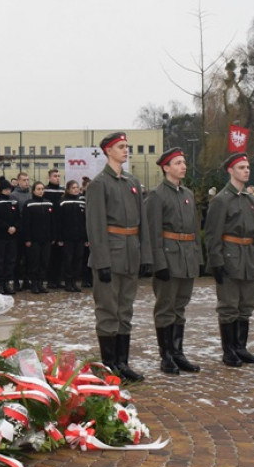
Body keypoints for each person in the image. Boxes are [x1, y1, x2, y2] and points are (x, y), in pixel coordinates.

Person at [85, 132, 152, 382]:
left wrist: (145, 256)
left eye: (126, 146)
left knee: (125, 311)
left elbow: (142, 222)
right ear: (108, 151)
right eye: (121, 146)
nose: (126, 150)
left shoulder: (132, 182)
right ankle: (109, 366)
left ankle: (123, 363)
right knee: (107, 311)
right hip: (110, 256)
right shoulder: (99, 184)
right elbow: (95, 226)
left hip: (131, 254)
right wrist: (101, 261)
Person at [146, 147, 202, 375]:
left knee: (180, 306)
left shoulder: (187, 194)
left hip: (187, 257)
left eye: (184, 162)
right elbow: (153, 232)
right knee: (165, 308)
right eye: (178, 163)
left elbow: (195, 229)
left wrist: (198, 257)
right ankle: (166, 355)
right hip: (168, 258)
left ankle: (178, 353)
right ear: (166, 167)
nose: (183, 166)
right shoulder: (157, 195)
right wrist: (158, 263)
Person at [205, 153, 254, 368]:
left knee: (246, 304)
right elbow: (212, 234)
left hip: (249, 257)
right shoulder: (221, 200)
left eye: (247, 167)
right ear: (230, 170)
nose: (246, 171)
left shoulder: (252, 199)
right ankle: (229, 350)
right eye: (241, 167)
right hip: (230, 256)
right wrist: (216, 262)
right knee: (229, 305)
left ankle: (241, 347)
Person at [21, 181, 54, 294]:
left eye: (42, 189)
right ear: (33, 191)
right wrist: (27, 239)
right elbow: (26, 223)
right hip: (34, 239)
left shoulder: (48, 203)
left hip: (46, 239)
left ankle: (41, 283)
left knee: (44, 262)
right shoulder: (29, 204)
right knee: (34, 262)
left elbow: (52, 222)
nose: (40, 191)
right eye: (38, 189)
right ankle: (34, 284)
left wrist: (52, 236)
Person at [0, 177, 20, 294]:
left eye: (9, 189)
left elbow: (18, 217)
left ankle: (8, 283)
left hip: (12, 237)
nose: (8, 191)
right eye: (6, 189)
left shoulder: (13, 201)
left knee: (10, 260)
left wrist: (15, 227)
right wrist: (7, 227)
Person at [57, 179, 87, 292]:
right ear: (68, 189)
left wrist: (86, 237)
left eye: (77, 187)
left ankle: (74, 281)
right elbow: (59, 221)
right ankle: (68, 282)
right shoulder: (63, 202)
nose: (76, 190)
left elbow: (85, 221)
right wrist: (59, 237)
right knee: (68, 260)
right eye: (73, 188)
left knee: (78, 260)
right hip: (67, 237)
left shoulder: (82, 202)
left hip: (79, 237)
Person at [43, 169, 65, 289]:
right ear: (49, 177)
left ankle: (58, 279)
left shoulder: (62, 191)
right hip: (49, 226)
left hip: (61, 225)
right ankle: (50, 280)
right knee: (50, 256)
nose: (57, 178)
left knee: (60, 256)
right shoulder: (45, 191)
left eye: (59, 176)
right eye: (55, 176)